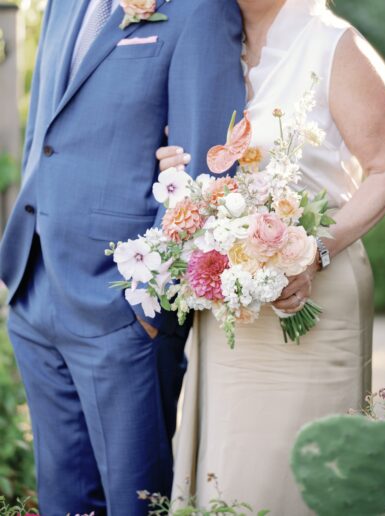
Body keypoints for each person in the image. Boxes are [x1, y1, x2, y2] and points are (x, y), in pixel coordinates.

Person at [0, 0, 245, 514]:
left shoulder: (201, 10)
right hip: (35, 288)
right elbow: (42, 134)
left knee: (134, 502)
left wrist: (147, 305)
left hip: (121, 306)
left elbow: (207, 170)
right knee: (62, 499)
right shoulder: (62, 5)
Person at [157, 0, 385, 513]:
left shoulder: (337, 45)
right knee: (231, 471)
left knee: (299, 475)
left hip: (314, 299)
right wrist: (174, 161)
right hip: (232, 312)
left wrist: (317, 251)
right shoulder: (211, 50)